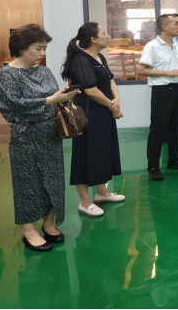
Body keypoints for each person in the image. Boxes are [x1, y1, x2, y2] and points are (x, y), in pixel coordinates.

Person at [0, 24, 79, 252]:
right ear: (21, 48)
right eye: (38, 49)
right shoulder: (6, 75)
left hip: (50, 134)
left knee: (53, 179)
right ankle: (29, 230)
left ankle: (48, 223)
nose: (42, 53)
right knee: (27, 183)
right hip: (25, 136)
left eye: (44, 49)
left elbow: (53, 96)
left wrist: (65, 97)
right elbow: (13, 106)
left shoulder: (44, 71)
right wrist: (50, 100)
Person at [61, 23, 125, 217]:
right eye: (104, 33)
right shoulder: (81, 60)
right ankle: (84, 202)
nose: (108, 35)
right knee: (85, 154)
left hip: (104, 110)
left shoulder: (100, 57)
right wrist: (112, 106)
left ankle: (102, 193)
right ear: (93, 39)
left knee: (103, 151)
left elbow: (110, 80)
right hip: (89, 113)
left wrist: (116, 100)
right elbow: (91, 91)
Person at [138, 13, 178, 180]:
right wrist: (168, 73)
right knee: (158, 129)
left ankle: (174, 160)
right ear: (165, 27)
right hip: (162, 91)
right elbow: (141, 70)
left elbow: (177, 66)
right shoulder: (152, 46)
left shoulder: (176, 44)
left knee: (175, 128)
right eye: (176, 23)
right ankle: (153, 167)